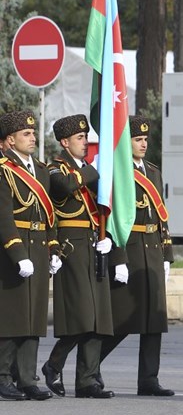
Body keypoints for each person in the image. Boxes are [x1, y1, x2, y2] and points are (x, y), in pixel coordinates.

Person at [42, 115, 116, 399]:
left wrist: (106, 237)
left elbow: (103, 202)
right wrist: (95, 170)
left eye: (86, 137)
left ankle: (87, 381)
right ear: (65, 142)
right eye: (80, 138)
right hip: (70, 247)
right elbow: (64, 188)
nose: (86, 143)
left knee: (98, 317)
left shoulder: (88, 169)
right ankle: (54, 364)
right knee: (81, 315)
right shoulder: (54, 169)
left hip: (93, 243)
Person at [100, 116, 174, 396]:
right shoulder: (118, 173)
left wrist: (167, 253)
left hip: (152, 249)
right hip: (130, 249)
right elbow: (112, 219)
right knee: (123, 319)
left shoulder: (153, 171)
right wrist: (117, 257)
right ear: (125, 142)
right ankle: (90, 367)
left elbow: (162, 215)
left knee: (154, 320)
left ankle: (149, 379)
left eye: (145, 139)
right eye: (137, 139)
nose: (143, 144)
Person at [0, 110, 59, 401]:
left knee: (34, 316)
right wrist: (17, 252)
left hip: (38, 245)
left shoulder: (41, 169)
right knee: (13, 316)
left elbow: (49, 217)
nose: (33, 137)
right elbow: (4, 216)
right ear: (10, 140)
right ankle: (2, 377)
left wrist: (52, 248)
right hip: (16, 248)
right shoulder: (3, 169)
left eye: (34, 133)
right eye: (26, 134)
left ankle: (26, 378)